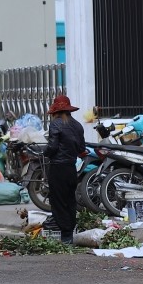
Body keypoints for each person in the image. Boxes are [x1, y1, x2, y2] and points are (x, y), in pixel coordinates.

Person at [45, 95, 85, 245]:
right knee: (70, 200)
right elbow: (81, 148)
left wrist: (45, 152)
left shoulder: (55, 124)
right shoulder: (78, 126)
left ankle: (66, 234)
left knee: (58, 201)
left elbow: (52, 147)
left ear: (55, 112)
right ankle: (69, 232)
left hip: (57, 168)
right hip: (71, 167)